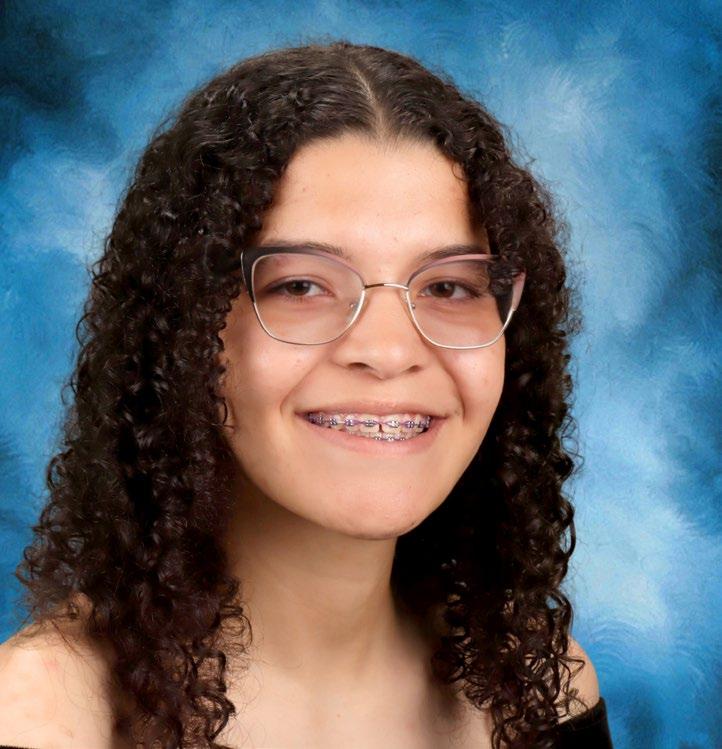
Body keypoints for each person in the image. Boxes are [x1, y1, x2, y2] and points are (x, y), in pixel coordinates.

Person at [0, 40, 613, 748]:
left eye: (449, 286)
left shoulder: (539, 689)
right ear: (183, 329)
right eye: (301, 286)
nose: (389, 351)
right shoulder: (37, 717)